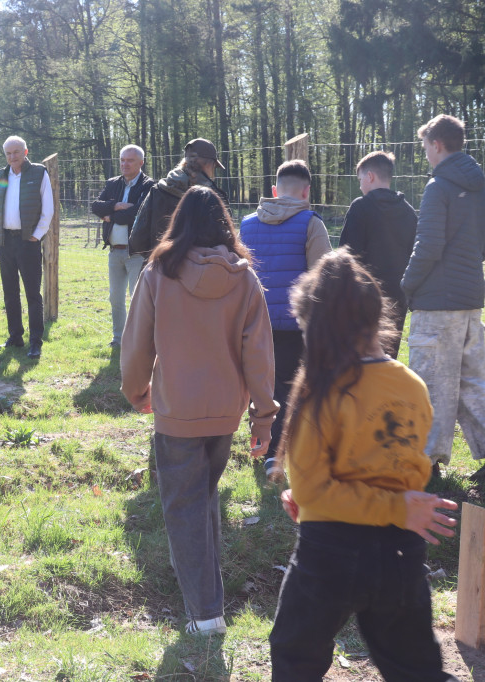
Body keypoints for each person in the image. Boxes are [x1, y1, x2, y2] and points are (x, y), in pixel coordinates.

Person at [270, 249, 459, 682]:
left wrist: (311, 498)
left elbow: (319, 490)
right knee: (416, 667)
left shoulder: (320, 390)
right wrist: (391, 509)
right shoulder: (412, 386)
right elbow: (408, 472)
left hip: (330, 553)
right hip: (401, 551)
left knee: (294, 654)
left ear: (319, 326)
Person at [121, 186, 276, 636]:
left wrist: (137, 391)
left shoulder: (158, 272)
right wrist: (262, 417)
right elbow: (260, 355)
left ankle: (206, 614)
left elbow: (135, 344)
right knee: (202, 496)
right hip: (226, 410)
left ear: (179, 222)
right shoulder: (245, 279)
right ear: (224, 224)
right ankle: (198, 580)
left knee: (185, 505)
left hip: (176, 409)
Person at [401, 114, 485, 477]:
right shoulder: (481, 186)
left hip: (436, 303)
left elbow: (428, 245)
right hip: (470, 299)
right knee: (472, 380)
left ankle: (426, 465)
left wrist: (406, 284)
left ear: (437, 144)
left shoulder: (438, 187)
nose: (425, 154)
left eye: (425, 147)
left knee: (430, 383)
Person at [239, 159, 332, 481]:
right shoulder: (311, 223)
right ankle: (295, 453)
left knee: (263, 387)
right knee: (297, 388)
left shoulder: (247, 224)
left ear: (275, 190)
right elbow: (323, 276)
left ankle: (263, 448)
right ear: (306, 192)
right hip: (297, 324)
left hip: (255, 322)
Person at [338, 151, 417, 359]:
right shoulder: (409, 212)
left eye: (361, 179)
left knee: (359, 360)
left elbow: (346, 255)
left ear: (370, 176)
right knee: (388, 358)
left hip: (363, 299)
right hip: (397, 300)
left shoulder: (360, 208)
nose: (360, 185)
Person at [0, 135, 54, 358]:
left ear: (25, 152)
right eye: (8, 153)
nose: (12, 157)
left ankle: (35, 341)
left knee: (33, 293)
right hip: (5, 241)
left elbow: (48, 208)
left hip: (28, 242)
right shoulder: (1, 175)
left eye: (16, 152)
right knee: (10, 292)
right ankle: (15, 336)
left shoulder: (38, 173)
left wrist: (37, 235)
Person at [90, 145, 155, 348]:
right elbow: (95, 206)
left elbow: (139, 213)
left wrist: (109, 215)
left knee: (138, 299)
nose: (125, 164)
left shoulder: (149, 186)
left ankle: (141, 339)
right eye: (122, 160)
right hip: (115, 251)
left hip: (137, 253)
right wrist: (116, 206)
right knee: (115, 298)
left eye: (130, 160)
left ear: (141, 163)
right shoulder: (113, 183)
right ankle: (119, 339)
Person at [129, 138, 226, 259]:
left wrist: (155, 256)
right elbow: (225, 238)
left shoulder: (158, 190)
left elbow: (137, 239)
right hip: (201, 270)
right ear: (208, 164)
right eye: (214, 167)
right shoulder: (213, 197)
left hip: (161, 267)